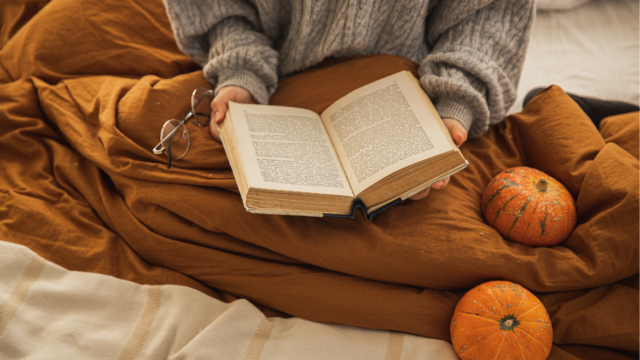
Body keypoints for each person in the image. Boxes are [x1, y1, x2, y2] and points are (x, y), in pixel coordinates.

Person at [163, 0, 535, 200]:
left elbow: (488, 16)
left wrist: (453, 105)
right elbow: (217, 9)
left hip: (418, 92)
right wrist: (239, 69)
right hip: (272, 78)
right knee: (175, 198)